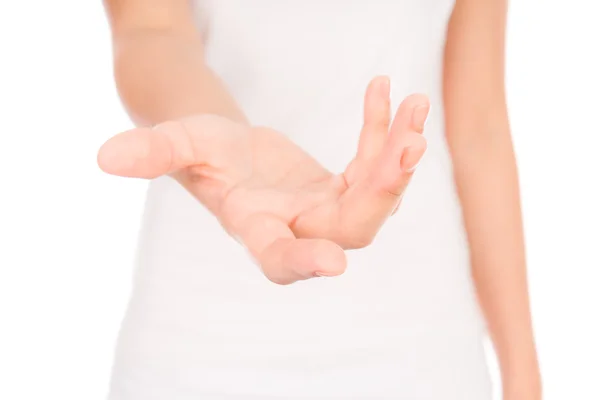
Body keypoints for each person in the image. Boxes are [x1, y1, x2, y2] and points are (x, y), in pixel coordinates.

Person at [99, 0, 541, 399]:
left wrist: (523, 373)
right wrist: (219, 130)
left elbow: (478, 131)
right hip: (198, 349)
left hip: (427, 350)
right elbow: (149, 28)